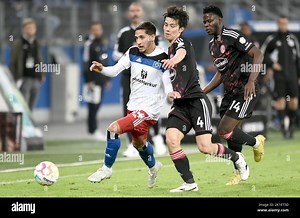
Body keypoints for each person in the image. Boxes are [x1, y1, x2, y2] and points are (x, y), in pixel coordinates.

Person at [161, 6, 249, 192]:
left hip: (196, 102)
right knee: (171, 139)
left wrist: (173, 61)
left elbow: (181, 54)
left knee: (205, 147)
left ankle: (237, 158)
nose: (167, 29)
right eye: (165, 25)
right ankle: (190, 183)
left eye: (172, 26)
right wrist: (171, 92)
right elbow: (169, 76)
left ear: (181, 29)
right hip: (180, 105)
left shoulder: (182, 43)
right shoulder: (168, 49)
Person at [88, 22, 172, 188]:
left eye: (142, 37)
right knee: (139, 144)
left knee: (113, 129)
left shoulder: (163, 58)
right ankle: (154, 167)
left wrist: (170, 94)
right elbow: (115, 70)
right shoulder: (133, 52)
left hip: (148, 111)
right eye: (136, 38)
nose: (138, 41)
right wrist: (101, 68)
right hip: (133, 106)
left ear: (152, 37)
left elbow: (167, 82)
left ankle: (106, 168)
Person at [202, 5, 265, 185]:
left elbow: (257, 54)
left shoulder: (232, 35)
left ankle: (256, 143)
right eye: (204, 22)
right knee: (231, 134)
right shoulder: (212, 44)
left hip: (245, 91)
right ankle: (240, 171)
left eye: (210, 21)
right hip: (228, 94)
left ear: (220, 20)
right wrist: (203, 91)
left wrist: (251, 81)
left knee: (224, 129)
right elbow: (221, 72)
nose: (206, 24)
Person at [113, 2, 167, 157]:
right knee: (129, 109)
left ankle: (157, 139)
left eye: (138, 10)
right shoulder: (123, 33)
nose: (135, 13)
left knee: (152, 108)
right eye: (132, 11)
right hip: (129, 77)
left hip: (151, 77)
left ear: (142, 13)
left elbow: (161, 50)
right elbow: (115, 54)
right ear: (128, 14)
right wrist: (129, 56)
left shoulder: (152, 31)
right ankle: (131, 143)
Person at [260, 15, 300, 139]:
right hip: (279, 76)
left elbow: (298, 58)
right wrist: (272, 64)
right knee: (281, 102)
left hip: (292, 75)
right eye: (281, 23)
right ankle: (284, 127)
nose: (283, 26)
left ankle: (291, 124)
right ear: (278, 24)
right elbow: (262, 54)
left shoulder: (292, 39)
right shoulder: (272, 39)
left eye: (285, 23)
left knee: (294, 102)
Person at [83, 21, 111, 140]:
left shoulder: (102, 43)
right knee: (92, 105)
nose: (97, 32)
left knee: (97, 104)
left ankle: (93, 130)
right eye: (94, 29)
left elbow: (105, 62)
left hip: (101, 79)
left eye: (99, 29)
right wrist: (88, 80)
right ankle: (92, 130)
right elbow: (86, 62)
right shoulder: (89, 44)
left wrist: (107, 78)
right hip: (93, 80)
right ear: (91, 31)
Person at [10, 18, 44, 111]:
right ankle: (23, 123)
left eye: (33, 28)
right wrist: (15, 78)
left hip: (35, 77)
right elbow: (13, 62)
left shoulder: (36, 43)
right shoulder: (18, 43)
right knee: (23, 104)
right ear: (24, 29)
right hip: (24, 77)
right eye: (28, 28)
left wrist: (42, 73)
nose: (31, 30)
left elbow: (40, 59)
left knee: (32, 105)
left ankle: (29, 124)